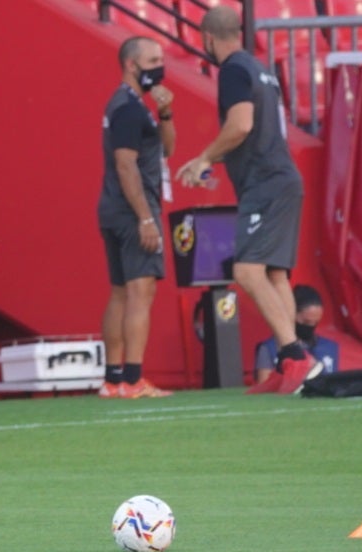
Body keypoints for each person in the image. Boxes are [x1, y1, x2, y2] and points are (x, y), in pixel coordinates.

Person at [176, 5, 316, 394]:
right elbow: (256, 136)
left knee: (246, 272)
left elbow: (241, 126)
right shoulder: (261, 69)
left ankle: (295, 356)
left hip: (266, 185)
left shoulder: (233, 71)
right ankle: (291, 361)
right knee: (274, 275)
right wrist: (208, 160)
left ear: (205, 38)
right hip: (283, 179)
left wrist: (205, 155)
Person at [97, 37, 176, 399]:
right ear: (132, 64)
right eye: (153, 60)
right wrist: (146, 218)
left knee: (119, 293)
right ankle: (133, 378)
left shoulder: (132, 106)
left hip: (114, 207)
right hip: (133, 210)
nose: (160, 66)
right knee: (140, 292)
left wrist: (166, 113)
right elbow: (125, 164)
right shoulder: (128, 108)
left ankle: (113, 380)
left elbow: (166, 150)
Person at [255, 284, 338, 383]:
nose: (310, 327)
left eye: (315, 323)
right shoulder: (269, 348)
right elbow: (264, 388)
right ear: (292, 314)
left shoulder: (329, 347)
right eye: (306, 322)